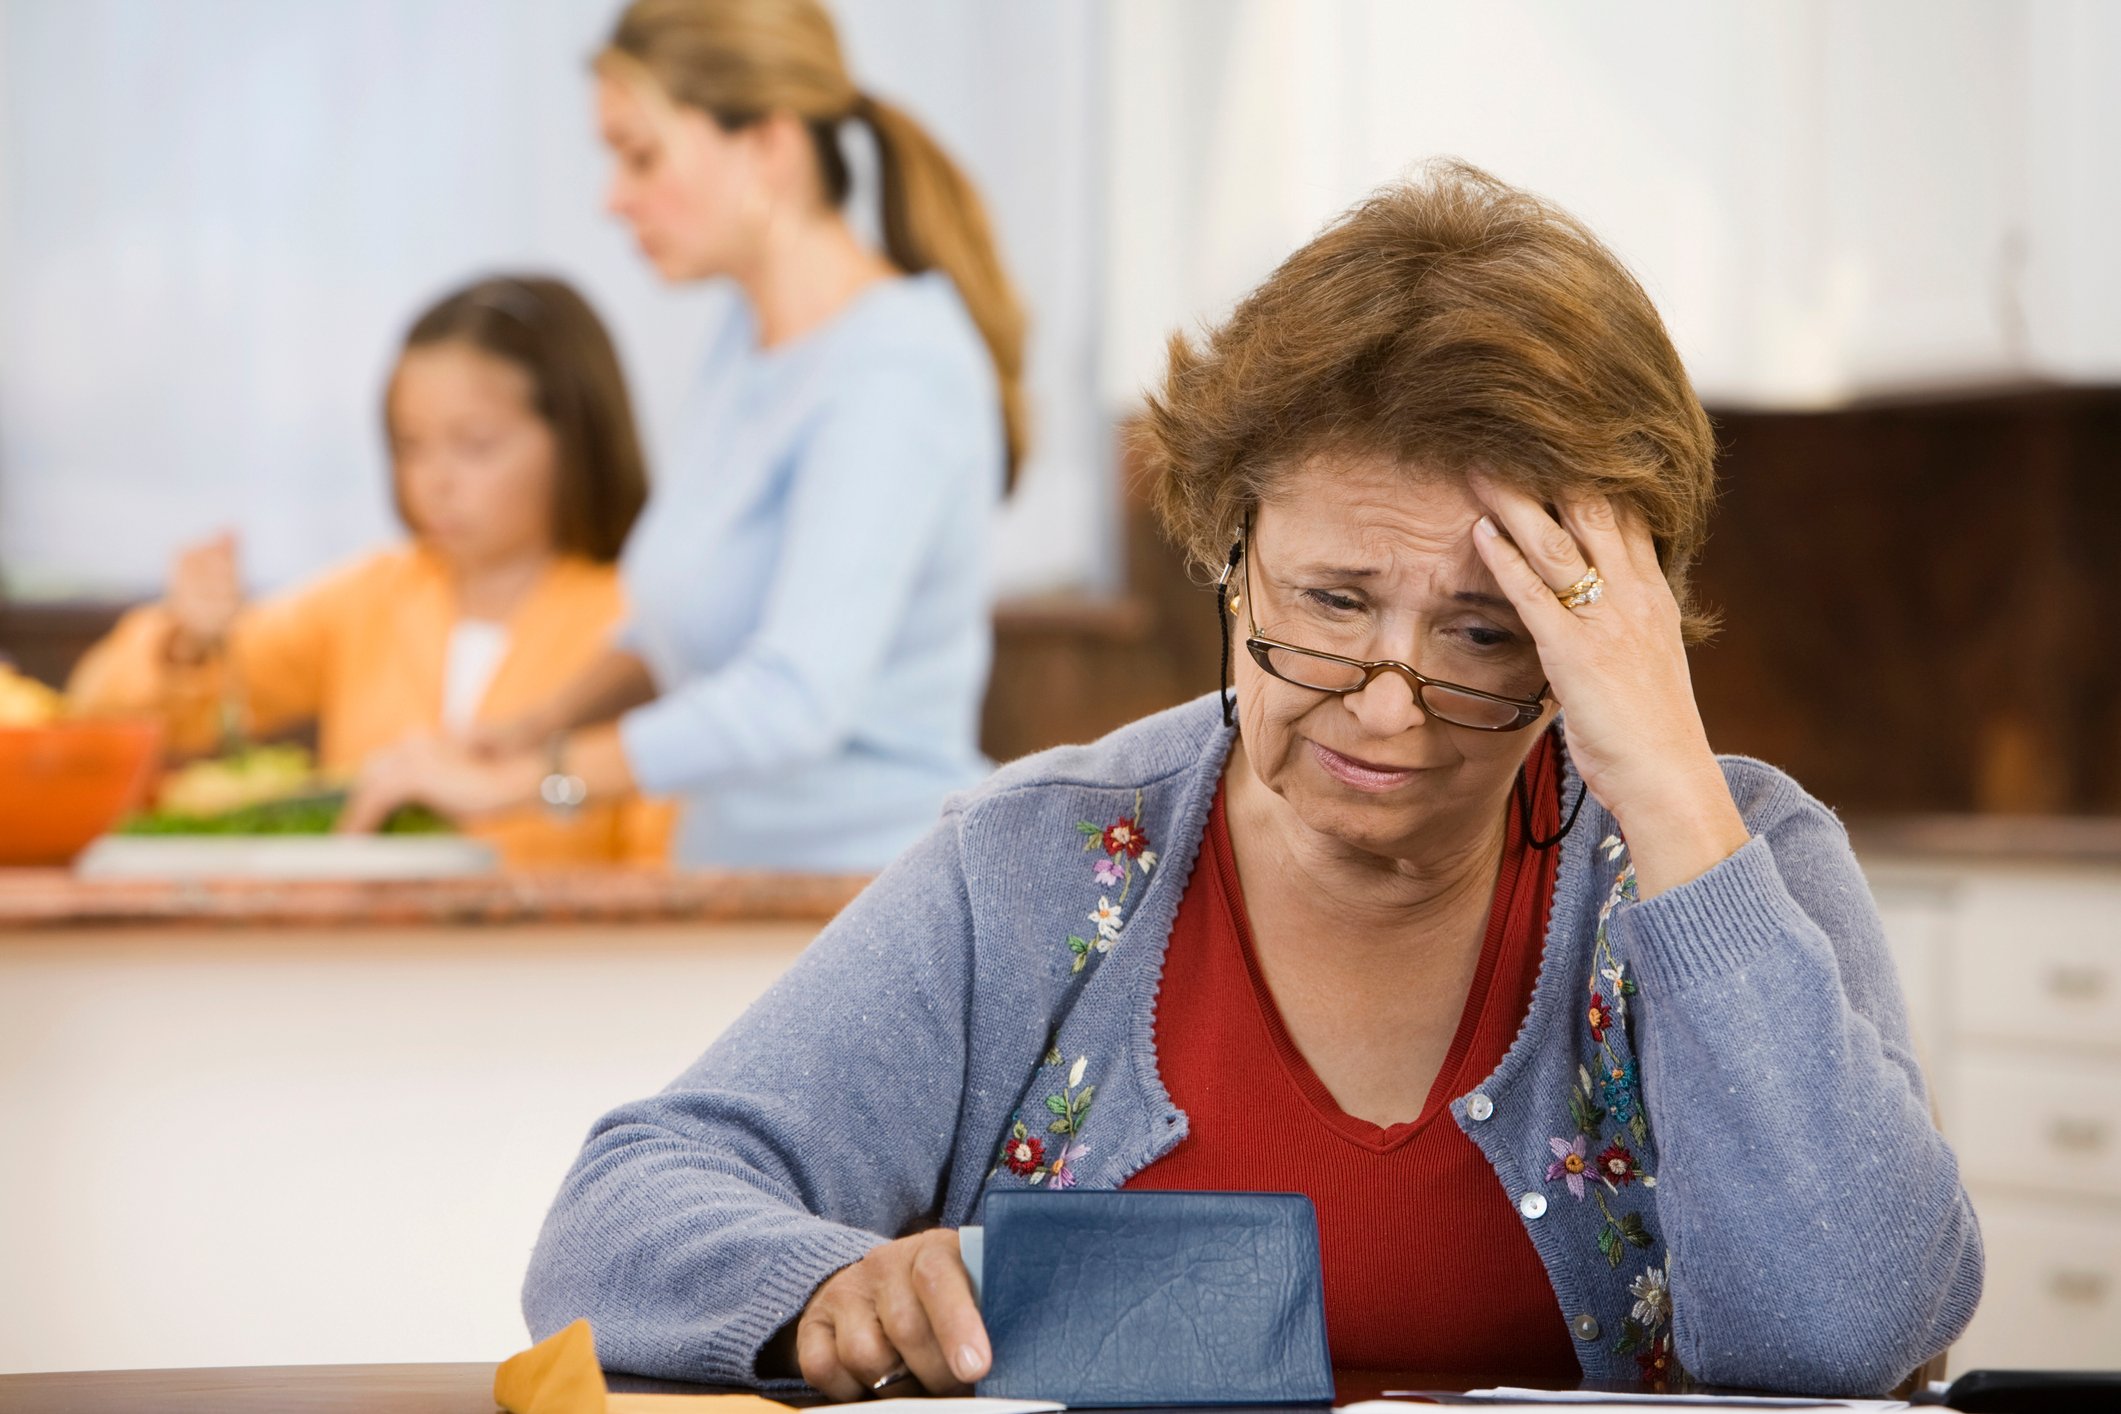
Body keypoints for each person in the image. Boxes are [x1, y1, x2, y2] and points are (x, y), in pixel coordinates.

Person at [519, 163, 1981, 1395]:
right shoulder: (1042, 863)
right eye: (1331, 605)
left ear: (1606, 626)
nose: (1390, 704)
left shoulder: (1739, 852)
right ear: (1231, 555)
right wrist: (833, 1281)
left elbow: (1849, 1332)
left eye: (1484, 633)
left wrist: (1665, 783)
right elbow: (616, 1219)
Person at [344, 0, 1022, 871]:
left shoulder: (894, 369)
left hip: (870, 903)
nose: (613, 198)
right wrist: (529, 731)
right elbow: (686, 634)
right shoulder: (747, 344)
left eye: (641, 155)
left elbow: (793, 697)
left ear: (768, 145)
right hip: (732, 887)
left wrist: (535, 781)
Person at [70, 275, 671, 867]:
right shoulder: (367, 599)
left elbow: (666, 840)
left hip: (562, 955)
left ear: (577, 439)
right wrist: (186, 642)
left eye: (476, 444)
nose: (436, 480)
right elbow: (105, 716)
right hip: (361, 953)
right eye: (410, 445)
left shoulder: (638, 626)